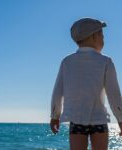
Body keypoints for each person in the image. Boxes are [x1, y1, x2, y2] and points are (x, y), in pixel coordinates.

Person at [50, 17, 122, 150]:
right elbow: (114, 95)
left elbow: (57, 92)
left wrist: (55, 116)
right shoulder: (105, 62)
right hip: (98, 119)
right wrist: (121, 119)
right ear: (95, 36)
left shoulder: (67, 62)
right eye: (102, 36)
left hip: (76, 119)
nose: (103, 40)